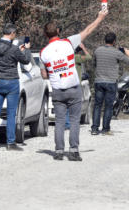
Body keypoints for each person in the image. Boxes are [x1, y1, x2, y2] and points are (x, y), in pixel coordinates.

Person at [40, 9, 107, 161]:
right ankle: (74, 150)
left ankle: (58, 151)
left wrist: (56, 73)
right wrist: (100, 17)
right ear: (58, 31)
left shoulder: (44, 52)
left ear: (45, 35)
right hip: (73, 87)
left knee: (59, 121)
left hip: (58, 90)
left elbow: (44, 75)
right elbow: (88, 31)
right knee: (75, 119)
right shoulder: (68, 42)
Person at [0, 23, 32, 151]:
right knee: (11, 114)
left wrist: (18, 50)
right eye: (14, 34)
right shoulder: (14, 48)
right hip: (11, 81)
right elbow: (26, 60)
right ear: (11, 34)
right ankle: (10, 143)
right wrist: (26, 49)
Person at [91, 32, 129, 135]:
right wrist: (128, 53)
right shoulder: (117, 53)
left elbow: (94, 64)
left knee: (97, 105)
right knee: (109, 106)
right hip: (111, 82)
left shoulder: (97, 50)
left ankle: (94, 129)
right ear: (114, 42)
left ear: (104, 40)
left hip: (99, 81)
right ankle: (105, 129)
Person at [64, 44, 93, 130]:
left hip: (66, 84)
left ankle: (67, 123)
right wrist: (84, 48)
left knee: (67, 105)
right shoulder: (76, 57)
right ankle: (73, 124)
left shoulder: (65, 58)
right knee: (75, 105)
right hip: (75, 84)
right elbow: (89, 57)